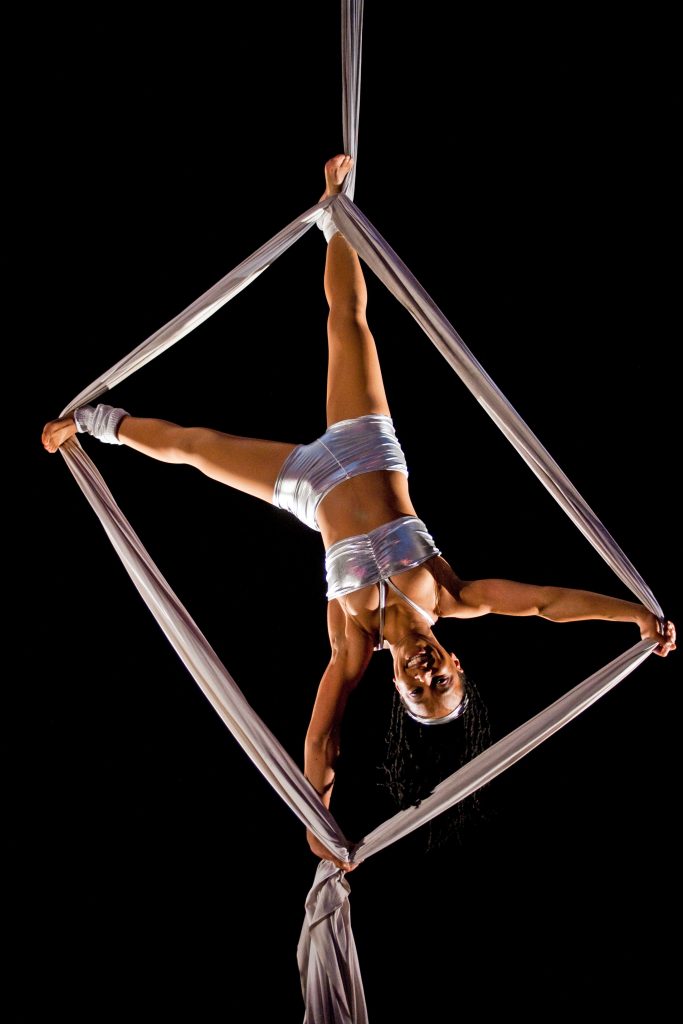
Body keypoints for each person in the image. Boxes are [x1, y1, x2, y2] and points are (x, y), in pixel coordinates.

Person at [42, 155, 676, 871]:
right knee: (348, 324)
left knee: (194, 449)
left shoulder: (354, 641)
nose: (426, 674)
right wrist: (632, 616)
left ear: (398, 686)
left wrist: (320, 823)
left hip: (308, 489)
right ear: (455, 663)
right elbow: (544, 605)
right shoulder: (451, 597)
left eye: (418, 689)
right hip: (368, 446)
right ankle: (334, 210)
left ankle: (94, 423)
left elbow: (322, 740)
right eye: (443, 681)